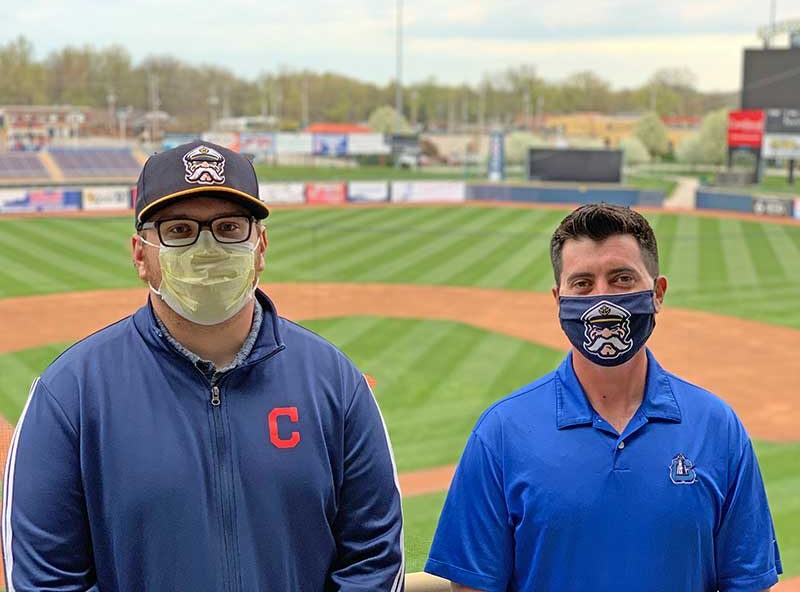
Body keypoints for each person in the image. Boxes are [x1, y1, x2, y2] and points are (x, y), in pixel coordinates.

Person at [3, 141, 404, 591]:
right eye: (179, 230)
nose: (207, 247)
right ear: (140, 255)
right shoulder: (69, 396)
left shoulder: (336, 384)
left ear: (260, 246)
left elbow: (373, 559)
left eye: (230, 227)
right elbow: (47, 581)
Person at [424, 203, 781, 592]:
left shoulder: (718, 429)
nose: (602, 300)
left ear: (657, 293)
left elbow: (748, 583)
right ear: (559, 299)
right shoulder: (501, 434)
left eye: (622, 278)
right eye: (582, 284)